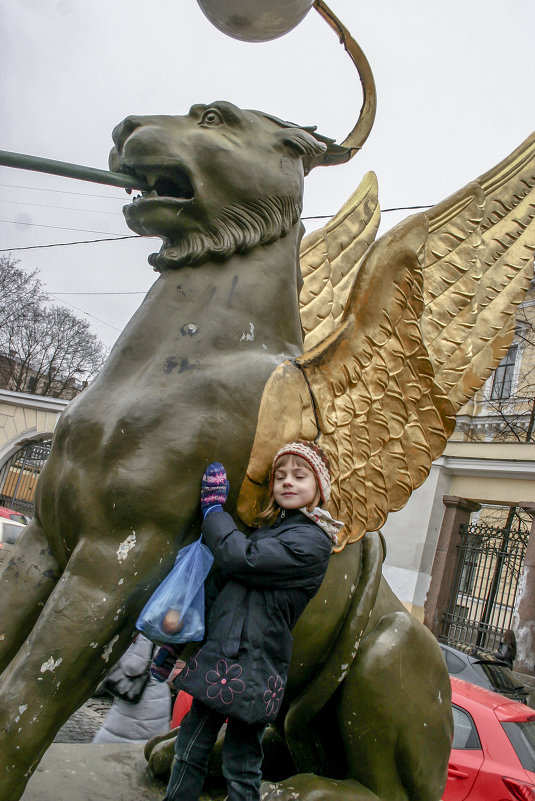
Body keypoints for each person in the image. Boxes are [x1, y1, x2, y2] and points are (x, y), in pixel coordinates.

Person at [154, 440, 342, 801]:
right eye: (280, 476)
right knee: (191, 749)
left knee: (239, 765)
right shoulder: (270, 531)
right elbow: (224, 587)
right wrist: (178, 643)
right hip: (228, 655)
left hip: (253, 664)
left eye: (299, 476)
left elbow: (242, 558)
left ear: (319, 489)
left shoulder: (313, 542)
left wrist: (214, 513)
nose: (288, 482)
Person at [93, 633, 172, 744]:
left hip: (140, 697)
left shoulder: (149, 633)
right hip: (159, 698)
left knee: (105, 747)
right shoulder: (173, 632)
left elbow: (133, 667)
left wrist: (123, 654)